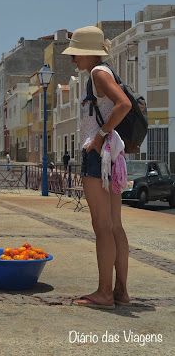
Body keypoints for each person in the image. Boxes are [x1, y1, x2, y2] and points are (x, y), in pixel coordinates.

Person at [63, 26, 132, 309]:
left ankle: (104, 294)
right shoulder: (106, 71)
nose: (73, 60)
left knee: (102, 226)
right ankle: (120, 291)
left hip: (97, 155)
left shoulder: (97, 73)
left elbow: (123, 104)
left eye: (76, 53)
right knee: (115, 226)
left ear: (89, 53)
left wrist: (99, 136)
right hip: (110, 156)